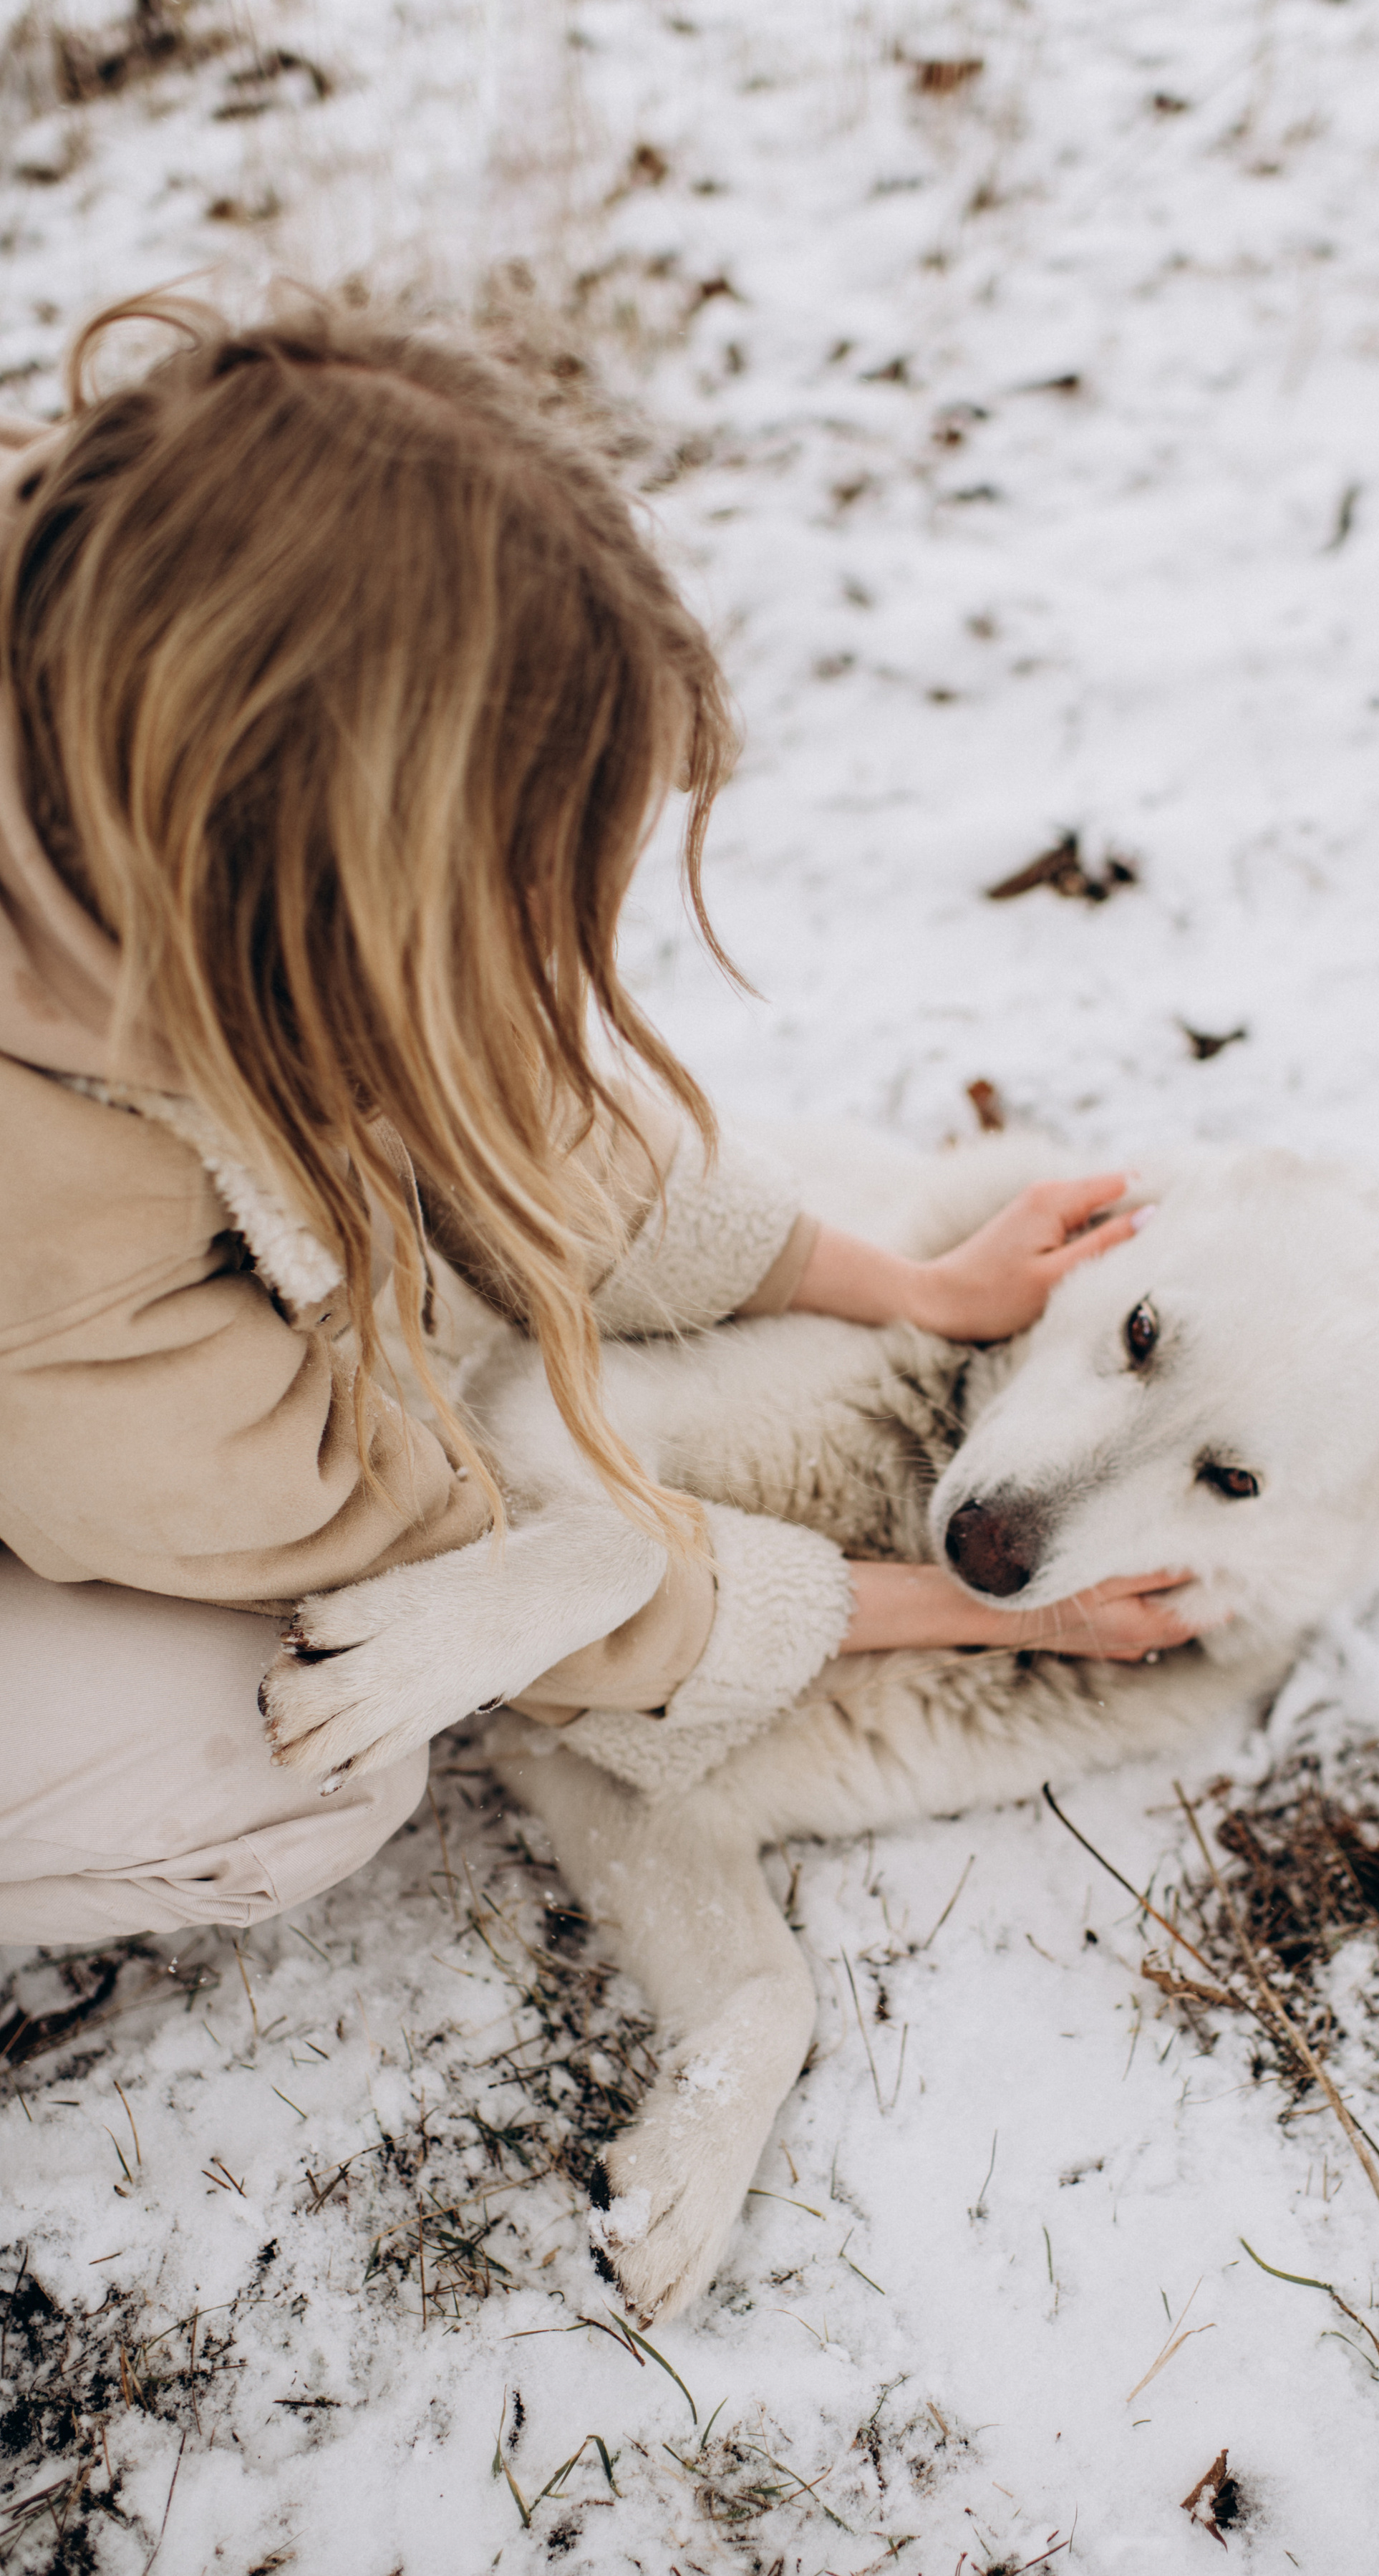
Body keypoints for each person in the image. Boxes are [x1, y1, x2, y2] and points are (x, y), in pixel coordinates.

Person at [0, 295, 1197, 1950]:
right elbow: (377, 1540)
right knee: (280, 1746)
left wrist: (894, 1284)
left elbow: (479, 1106)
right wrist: (936, 1609)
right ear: (297, 867)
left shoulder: (117, 672)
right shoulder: (34, 1204)